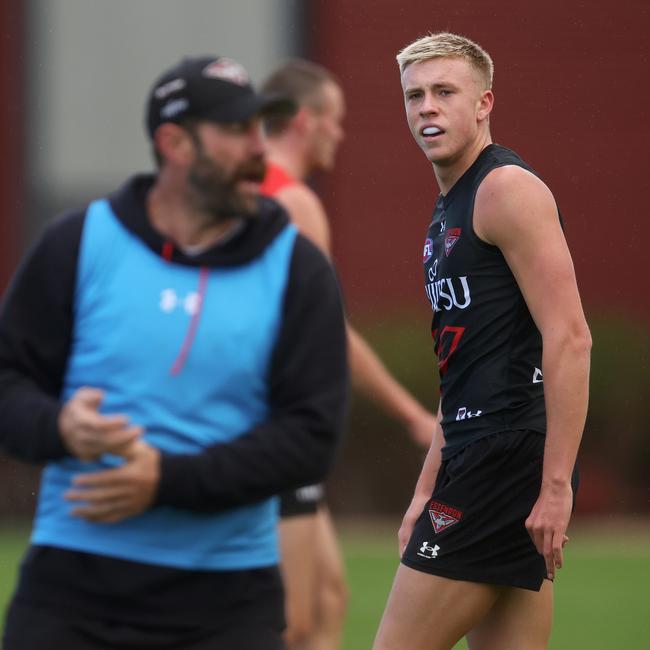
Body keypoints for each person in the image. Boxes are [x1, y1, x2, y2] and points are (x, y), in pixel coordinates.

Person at [0, 55, 349, 650]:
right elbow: (8, 383)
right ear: (174, 143)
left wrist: (166, 479)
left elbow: (310, 438)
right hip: (71, 595)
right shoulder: (77, 242)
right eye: (237, 131)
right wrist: (60, 426)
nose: (258, 151)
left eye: (260, 130)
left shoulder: (297, 268)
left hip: (228, 607)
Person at [372, 32, 592, 650]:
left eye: (445, 92)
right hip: (478, 454)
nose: (426, 109)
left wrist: (555, 488)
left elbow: (571, 337)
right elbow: (463, 367)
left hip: (507, 458)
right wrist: (424, 489)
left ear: (484, 103)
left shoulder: (506, 190)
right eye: (414, 96)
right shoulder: (450, 206)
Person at [260, 59, 438, 650]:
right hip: (272, 428)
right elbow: (330, 331)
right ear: (306, 122)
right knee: (293, 620)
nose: (341, 134)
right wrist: (413, 415)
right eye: (335, 120)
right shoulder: (291, 204)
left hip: (254, 425)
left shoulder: (234, 190)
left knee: (329, 597)